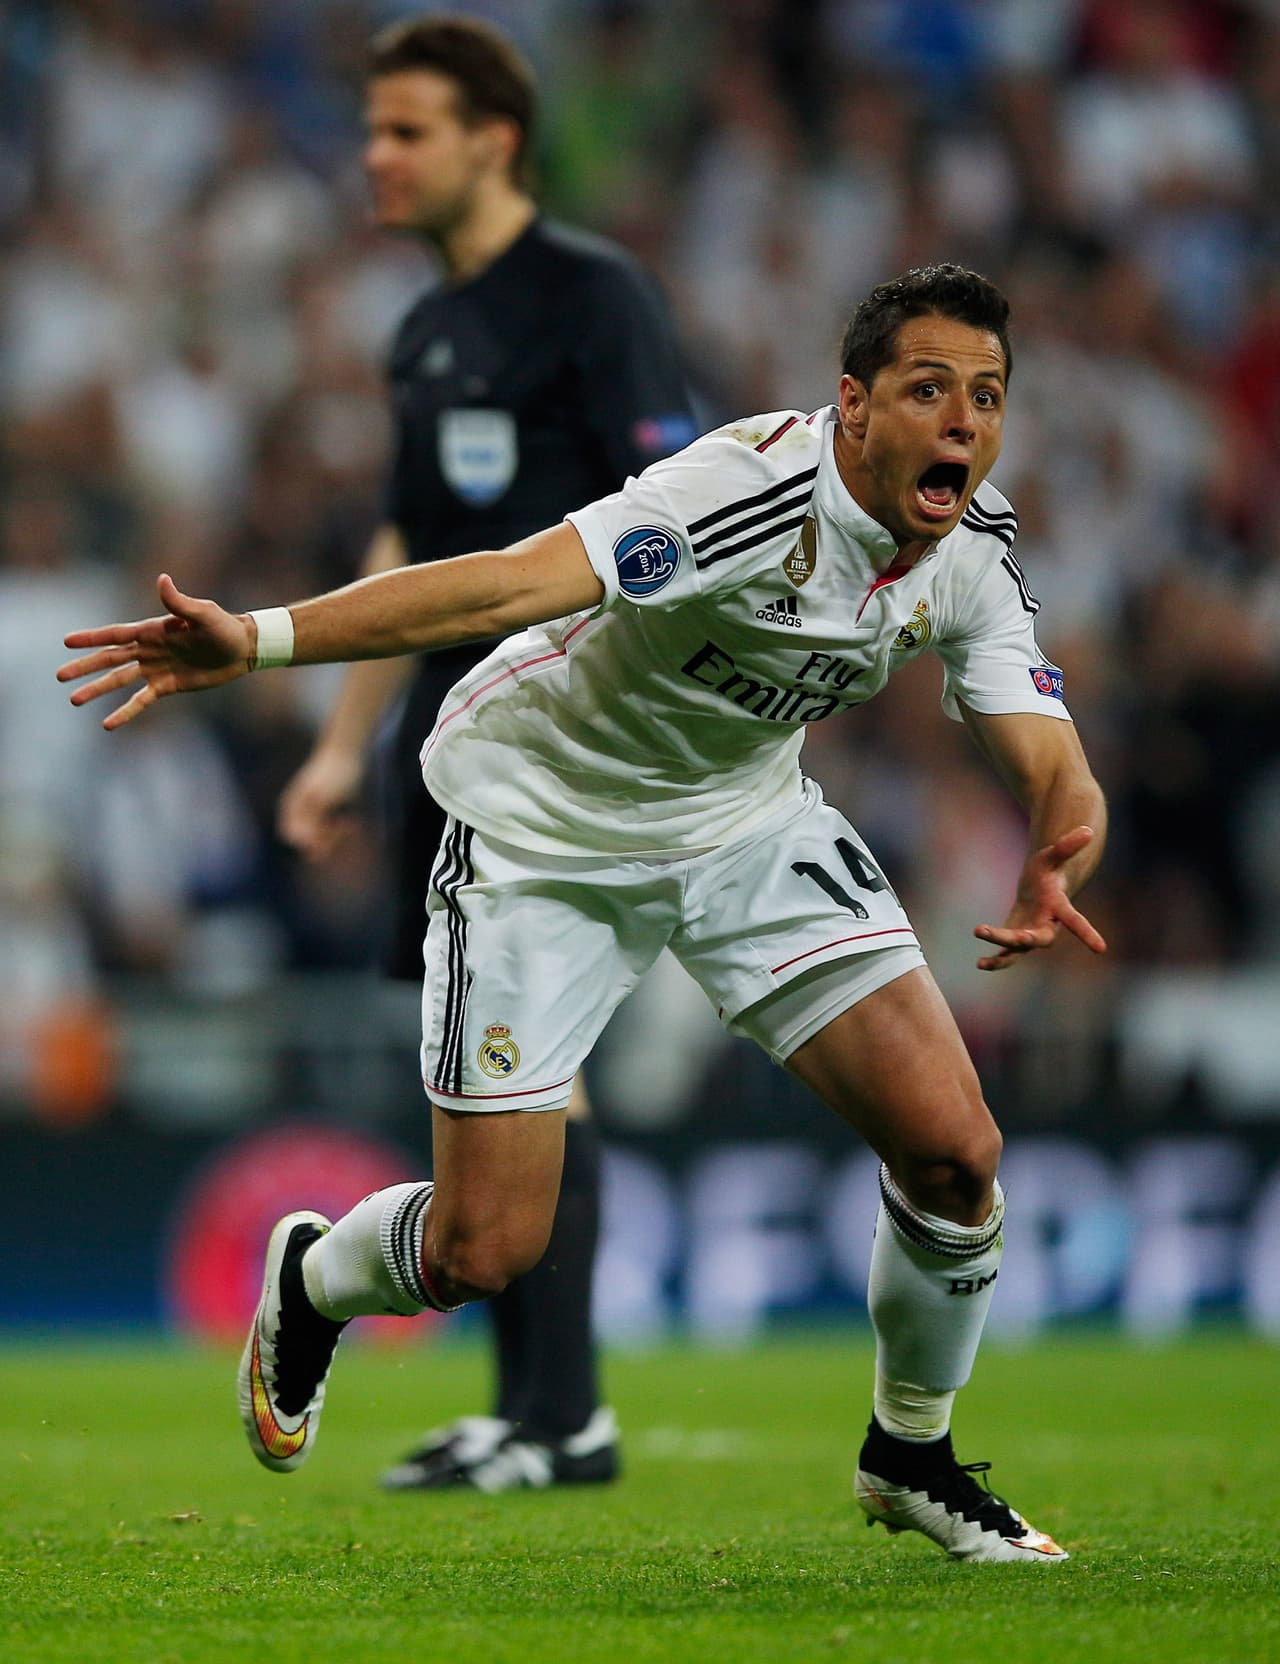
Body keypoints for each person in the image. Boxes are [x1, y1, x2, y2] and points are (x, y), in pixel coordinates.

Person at [61, 263, 1107, 1564]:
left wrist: (1062, 839)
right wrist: (260, 640)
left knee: (954, 1154)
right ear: (854, 405)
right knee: (483, 1248)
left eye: (987, 398)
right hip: (542, 825)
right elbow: (506, 585)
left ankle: (911, 1456)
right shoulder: (740, 496)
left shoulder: (972, 551)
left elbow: (1047, 750)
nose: (963, 422)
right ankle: (315, 1278)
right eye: (930, 389)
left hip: (743, 825)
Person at [274, 15, 695, 1492]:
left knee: (533, 1070)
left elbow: (677, 503)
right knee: (483, 1077)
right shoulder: (423, 331)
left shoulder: (594, 296)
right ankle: (532, 1415)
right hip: (443, 749)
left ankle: (562, 1419)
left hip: (563, 745)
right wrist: (341, 746)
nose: (375, 156)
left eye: (406, 130)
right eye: (373, 128)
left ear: (494, 140)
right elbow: (407, 546)